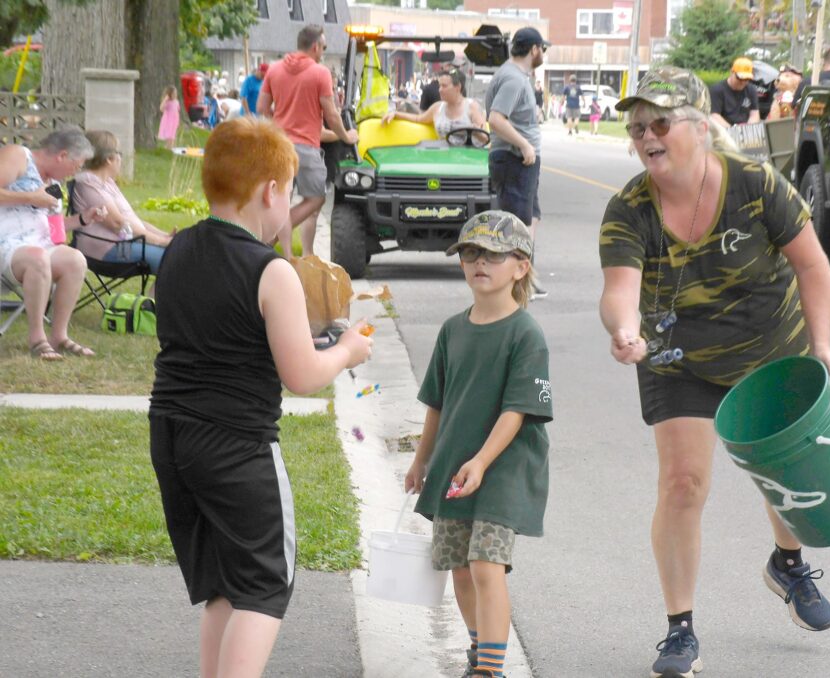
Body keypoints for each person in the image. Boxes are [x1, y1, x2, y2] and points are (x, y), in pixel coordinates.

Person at [599, 66, 830, 678]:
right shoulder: (629, 208)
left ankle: (787, 563)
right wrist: (624, 331)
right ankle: (679, 630)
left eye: (659, 123)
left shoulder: (758, 185)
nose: (646, 136)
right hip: (678, 356)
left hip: (770, 345)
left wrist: (822, 346)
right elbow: (619, 289)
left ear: (701, 129)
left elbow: (813, 266)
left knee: (781, 467)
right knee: (684, 484)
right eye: (637, 127)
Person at [149, 117, 373, 678]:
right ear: (270, 192)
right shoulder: (272, 270)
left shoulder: (176, 251)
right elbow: (301, 375)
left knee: (225, 582)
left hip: (173, 436)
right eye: (290, 192)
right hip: (237, 445)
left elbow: (213, 334)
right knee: (264, 584)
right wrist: (345, 350)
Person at [405, 210, 552, 678]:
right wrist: (420, 460)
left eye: (492, 254)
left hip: (503, 465)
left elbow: (517, 410)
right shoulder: (452, 329)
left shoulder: (526, 333)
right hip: (454, 464)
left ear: (520, 266)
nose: (479, 262)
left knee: (487, 564)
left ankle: (490, 670)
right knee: (459, 568)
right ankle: (479, 648)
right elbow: (437, 403)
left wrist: (483, 461)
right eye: (470, 253)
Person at [0, 128, 106, 360]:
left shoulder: (54, 183)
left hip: (37, 247)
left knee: (75, 260)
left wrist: (83, 218)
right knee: (38, 257)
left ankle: (59, 336)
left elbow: (54, 229)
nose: (76, 171)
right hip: (6, 245)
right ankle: (38, 339)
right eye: (77, 165)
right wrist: (30, 197)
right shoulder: (19, 156)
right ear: (62, 156)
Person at [257, 24, 358, 258]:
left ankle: (278, 248)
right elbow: (331, 114)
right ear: (315, 47)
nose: (323, 51)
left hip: (279, 146)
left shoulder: (274, 69)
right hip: (306, 148)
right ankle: (275, 236)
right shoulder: (319, 72)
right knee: (316, 198)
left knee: (281, 199)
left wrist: (279, 125)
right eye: (323, 47)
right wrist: (346, 136)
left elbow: (262, 107)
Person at [485, 26, 548, 298]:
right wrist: (524, 144)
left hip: (520, 160)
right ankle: (515, 287)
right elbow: (496, 119)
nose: (543, 53)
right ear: (534, 49)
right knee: (517, 225)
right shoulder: (514, 79)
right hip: (514, 159)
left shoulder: (514, 75)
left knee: (530, 217)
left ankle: (527, 280)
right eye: (542, 48)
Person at [72, 130, 175, 275]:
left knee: (177, 257)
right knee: (174, 261)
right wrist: (162, 242)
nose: (121, 158)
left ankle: (154, 299)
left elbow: (133, 221)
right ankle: (156, 299)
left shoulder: (107, 183)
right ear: (109, 158)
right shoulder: (88, 183)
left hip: (124, 243)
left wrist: (165, 236)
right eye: (119, 153)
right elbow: (118, 224)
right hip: (107, 249)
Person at [381, 69, 486, 139]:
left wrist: (475, 132)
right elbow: (418, 119)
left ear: (458, 87)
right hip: (444, 159)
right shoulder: (437, 108)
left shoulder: (472, 107)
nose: (440, 90)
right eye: (439, 86)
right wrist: (395, 114)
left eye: (444, 86)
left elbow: (485, 138)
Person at [709, 57, 761, 128]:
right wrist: (733, 130)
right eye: (740, 78)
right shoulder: (717, 90)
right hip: (724, 130)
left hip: (745, 129)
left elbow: (754, 113)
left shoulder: (751, 90)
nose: (743, 82)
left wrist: (748, 128)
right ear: (732, 72)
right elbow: (714, 115)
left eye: (747, 79)